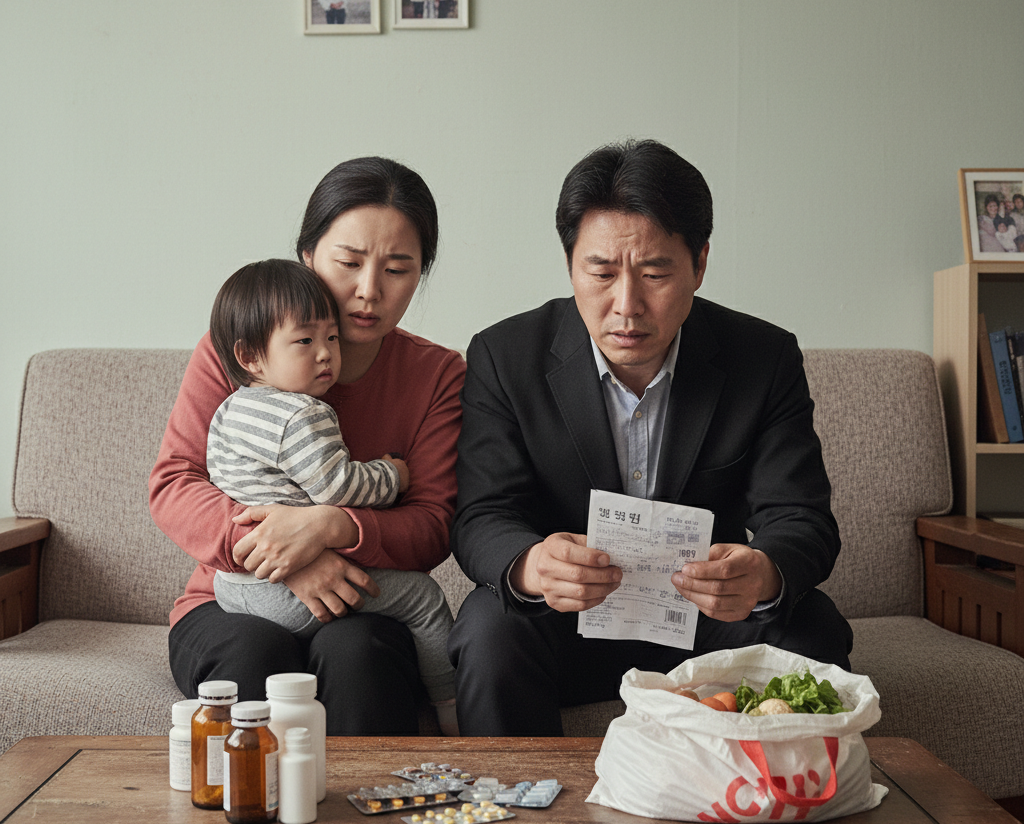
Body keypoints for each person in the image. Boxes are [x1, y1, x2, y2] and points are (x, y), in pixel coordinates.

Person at [448, 138, 851, 736]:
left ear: (700, 264)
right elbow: (484, 513)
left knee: (812, 627)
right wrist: (532, 565)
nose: (627, 305)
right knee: (488, 627)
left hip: (708, 622)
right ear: (570, 266)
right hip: (566, 621)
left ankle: (784, 812)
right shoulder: (505, 356)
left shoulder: (762, 358)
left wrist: (762, 573)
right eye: (602, 273)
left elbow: (801, 517)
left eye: (655, 272)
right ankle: (512, 819)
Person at [151, 157, 465, 735]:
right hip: (231, 601)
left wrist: (331, 528)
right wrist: (285, 559)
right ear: (308, 257)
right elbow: (174, 484)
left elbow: (433, 524)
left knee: (360, 657)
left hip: (361, 602)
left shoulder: (437, 373)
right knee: (254, 657)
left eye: (398, 268)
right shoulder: (240, 348)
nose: (368, 291)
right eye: (348, 262)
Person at [204, 258, 458, 732]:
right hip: (280, 591)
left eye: (331, 339)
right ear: (250, 356)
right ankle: (450, 708)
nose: (325, 355)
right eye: (306, 342)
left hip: (232, 586)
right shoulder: (303, 414)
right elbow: (338, 486)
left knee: (354, 651)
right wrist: (394, 474)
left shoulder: (229, 409)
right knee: (423, 598)